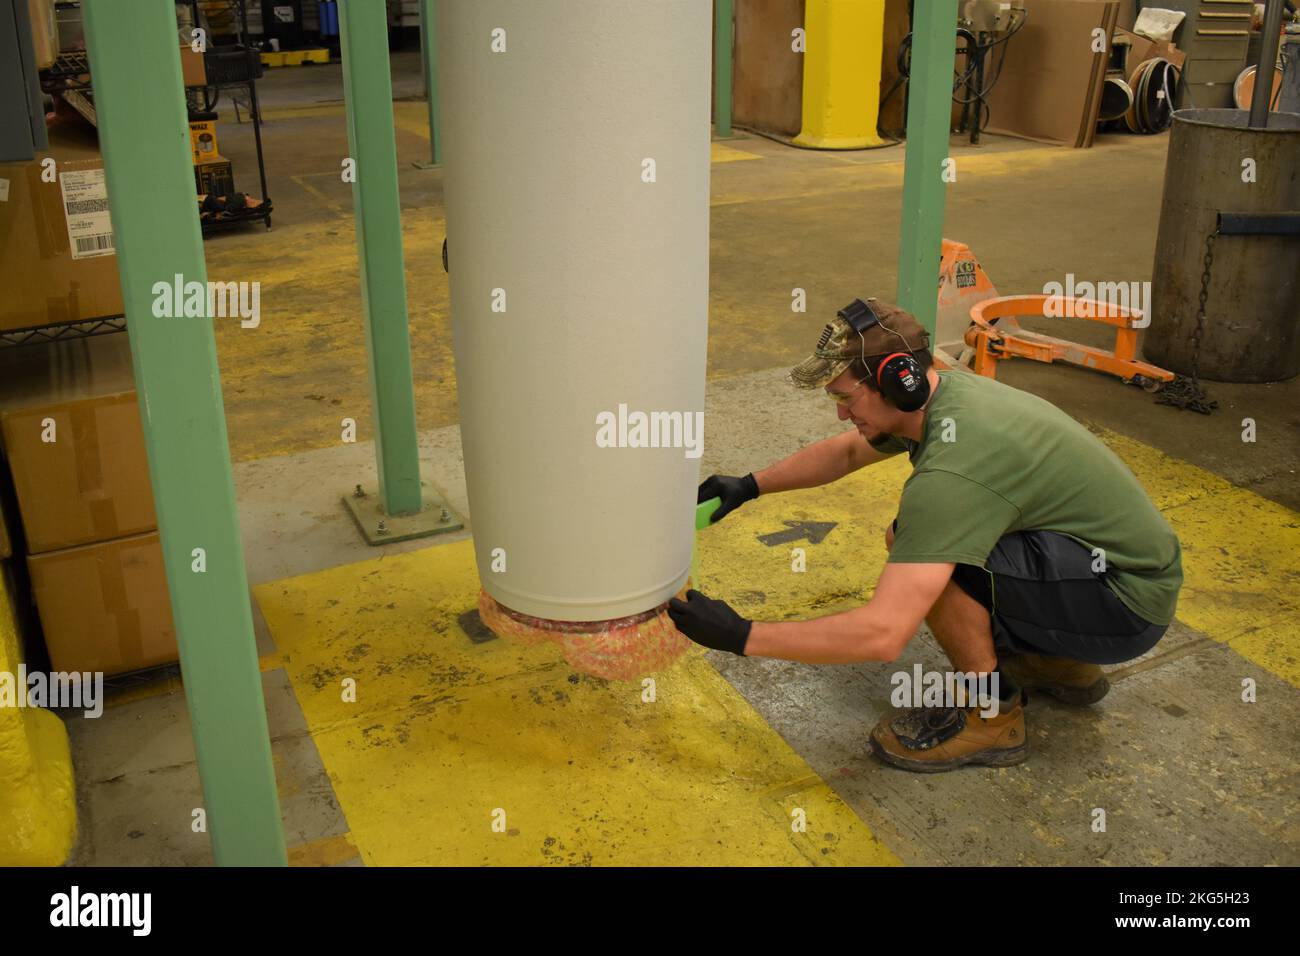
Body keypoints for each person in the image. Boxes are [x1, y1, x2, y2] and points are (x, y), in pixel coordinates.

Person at [668, 297, 1183, 772]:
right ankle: (1057, 662)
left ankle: (992, 718)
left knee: (927, 546)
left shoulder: (952, 474)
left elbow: (883, 633)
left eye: (847, 398)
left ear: (900, 383)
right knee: (931, 540)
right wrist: (749, 486)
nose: (842, 413)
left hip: (1126, 605)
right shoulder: (948, 400)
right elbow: (848, 452)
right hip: (1105, 572)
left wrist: (741, 636)